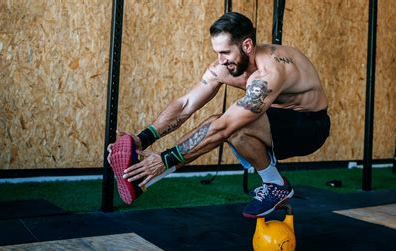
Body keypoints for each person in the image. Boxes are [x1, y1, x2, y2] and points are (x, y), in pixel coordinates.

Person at [119, 12, 330, 218]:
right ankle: (145, 181)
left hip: (310, 126)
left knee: (231, 126)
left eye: (226, 52)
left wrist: (165, 158)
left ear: (247, 46)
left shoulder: (270, 72)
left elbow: (226, 126)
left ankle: (275, 186)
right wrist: (143, 138)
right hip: (275, 119)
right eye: (217, 52)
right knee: (221, 124)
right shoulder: (224, 66)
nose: (220, 61)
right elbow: (186, 104)